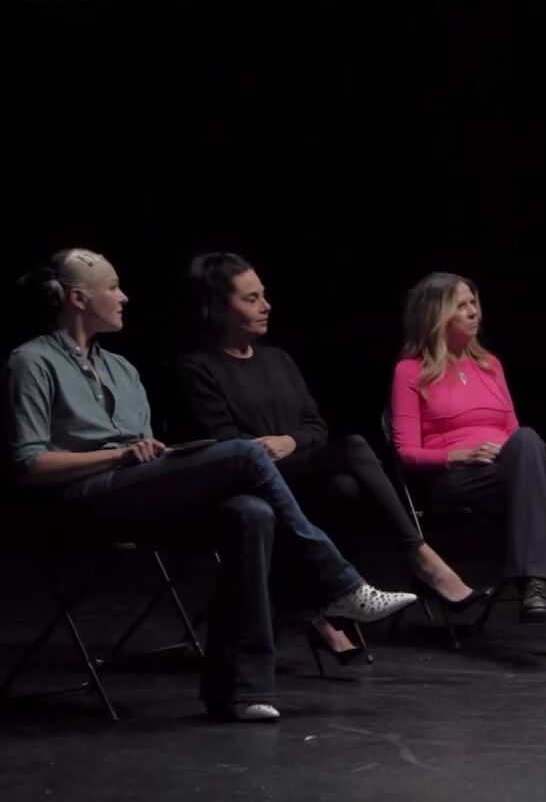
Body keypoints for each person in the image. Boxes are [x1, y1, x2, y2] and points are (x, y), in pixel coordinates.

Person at [5, 249, 417, 722]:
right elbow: (29, 465)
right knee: (244, 453)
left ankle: (239, 692)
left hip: (134, 493)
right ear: (78, 299)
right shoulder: (31, 362)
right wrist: (118, 455)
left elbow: (143, 449)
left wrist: (151, 453)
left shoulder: (122, 368)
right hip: (76, 502)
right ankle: (338, 582)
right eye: (113, 288)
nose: (124, 297)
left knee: (251, 512)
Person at [175, 253, 491, 660]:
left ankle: (320, 610)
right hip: (245, 479)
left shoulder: (277, 359)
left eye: (264, 295)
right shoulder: (197, 367)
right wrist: (276, 446)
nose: (266, 305)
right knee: (354, 448)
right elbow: (221, 439)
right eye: (251, 299)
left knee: (345, 489)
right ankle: (418, 557)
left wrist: (290, 440)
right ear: (217, 308)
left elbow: (315, 426)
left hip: (295, 472)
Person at [389, 272, 546, 661]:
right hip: (453, 481)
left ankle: (542, 590)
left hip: (508, 474)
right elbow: (406, 452)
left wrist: (513, 455)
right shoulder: (410, 371)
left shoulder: (490, 365)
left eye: (474, 302)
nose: (474, 312)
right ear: (435, 315)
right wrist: (458, 455)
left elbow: (513, 434)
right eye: (461, 305)